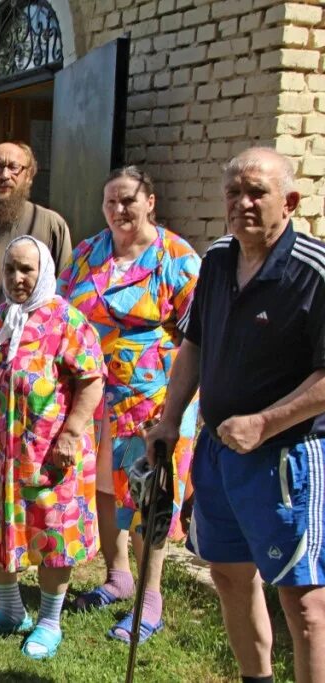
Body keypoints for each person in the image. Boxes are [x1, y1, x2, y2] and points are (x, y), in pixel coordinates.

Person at [148, 147, 325, 683]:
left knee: (305, 606)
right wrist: (169, 418)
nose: (242, 203)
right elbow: (195, 343)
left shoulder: (314, 272)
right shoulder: (220, 258)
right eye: (233, 192)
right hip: (218, 453)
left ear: (290, 202)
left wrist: (265, 422)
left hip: (287, 458)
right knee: (229, 575)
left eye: (256, 193)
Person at [59, 166, 201, 644]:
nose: (119, 211)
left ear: (150, 202)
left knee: (148, 492)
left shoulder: (175, 256)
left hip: (152, 396)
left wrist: (177, 404)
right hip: (93, 394)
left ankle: (151, 598)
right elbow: (63, 309)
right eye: (111, 203)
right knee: (102, 485)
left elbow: (197, 334)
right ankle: (117, 576)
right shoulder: (87, 252)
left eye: (128, 201)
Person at [0, 235, 104, 659]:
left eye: (27, 270)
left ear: (44, 273)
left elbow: (91, 380)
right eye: (11, 269)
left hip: (46, 452)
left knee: (52, 529)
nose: (18, 278)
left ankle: (50, 620)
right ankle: (10, 609)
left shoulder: (67, 321)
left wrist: (72, 434)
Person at [0, 141, 73, 305]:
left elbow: (66, 288)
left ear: (28, 176)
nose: (5, 175)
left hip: (35, 326)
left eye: (14, 167)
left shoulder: (51, 225)